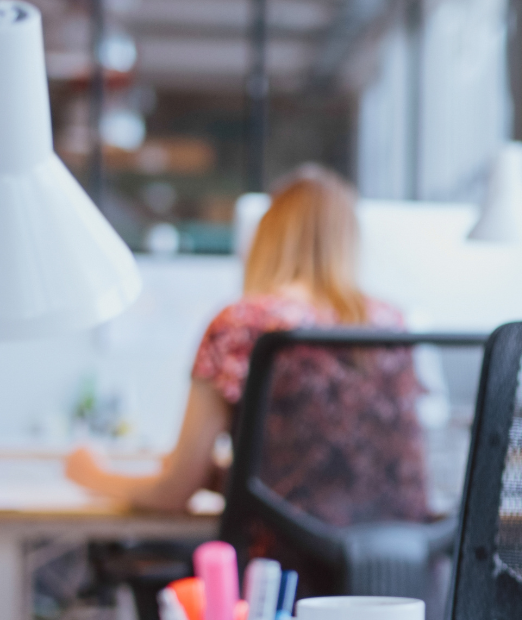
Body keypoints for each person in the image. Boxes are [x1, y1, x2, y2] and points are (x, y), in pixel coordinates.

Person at [66, 166, 429, 533]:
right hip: (398, 573)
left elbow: (174, 490)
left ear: (268, 238)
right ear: (350, 241)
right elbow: (340, 476)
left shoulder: (243, 324)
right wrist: (230, 478)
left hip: (282, 575)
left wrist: (90, 474)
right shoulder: (391, 323)